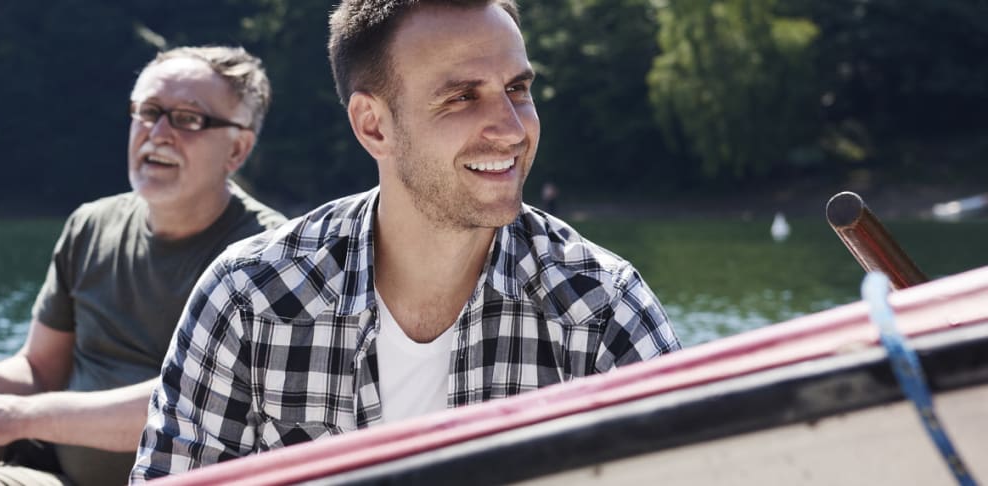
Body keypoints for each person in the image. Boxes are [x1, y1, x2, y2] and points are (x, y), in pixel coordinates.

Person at [132, 0, 681, 479]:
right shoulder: (250, 296)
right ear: (374, 125)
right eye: (463, 97)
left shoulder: (600, 305)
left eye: (517, 89)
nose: (512, 128)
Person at [0, 45, 288, 486]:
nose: (158, 133)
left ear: (237, 149)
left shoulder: (270, 257)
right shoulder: (90, 226)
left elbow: (186, 405)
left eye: (188, 119)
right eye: (148, 111)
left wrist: (19, 415)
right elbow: (41, 371)